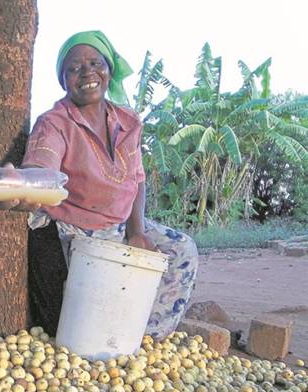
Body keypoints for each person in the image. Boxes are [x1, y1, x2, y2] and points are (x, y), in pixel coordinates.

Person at [20, 31, 198, 339]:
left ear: (108, 70)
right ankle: (107, 338)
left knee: (181, 250)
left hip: (123, 224)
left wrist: (137, 232)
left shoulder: (128, 121)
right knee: (101, 294)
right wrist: (24, 182)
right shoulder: (54, 123)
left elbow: (137, 180)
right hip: (75, 228)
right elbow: (41, 169)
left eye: (94, 63)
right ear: (64, 80)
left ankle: (145, 338)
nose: (87, 72)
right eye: (74, 68)